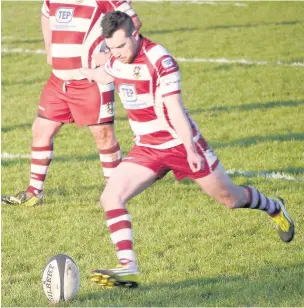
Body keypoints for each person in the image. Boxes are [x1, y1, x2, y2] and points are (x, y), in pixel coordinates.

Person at [80, 11, 295, 289]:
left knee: (230, 198)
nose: (117, 53)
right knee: (111, 197)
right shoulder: (115, 57)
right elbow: (107, 72)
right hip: (147, 147)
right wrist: (87, 71)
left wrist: (191, 149)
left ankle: (274, 207)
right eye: (111, 47)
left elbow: (175, 109)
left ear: (135, 34)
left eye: (121, 46)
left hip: (181, 144)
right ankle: (128, 268)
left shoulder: (160, 61)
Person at [2, 1, 141, 206]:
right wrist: (49, 46)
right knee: (41, 130)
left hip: (92, 80)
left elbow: (134, 23)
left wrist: (112, 53)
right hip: (59, 81)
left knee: (103, 137)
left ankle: (115, 192)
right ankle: (34, 193)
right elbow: (46, 13)